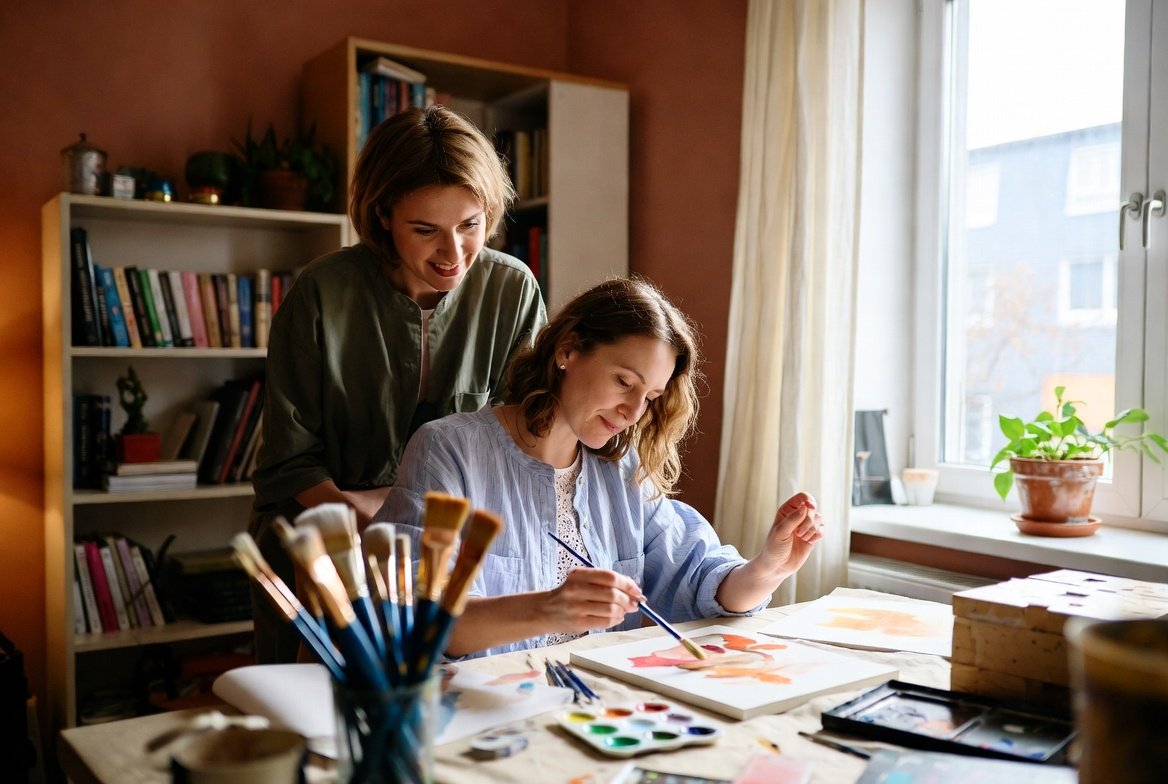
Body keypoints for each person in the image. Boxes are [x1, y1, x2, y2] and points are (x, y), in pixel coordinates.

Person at [376, 276, 823, 659]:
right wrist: (550, 608)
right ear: (567, 350)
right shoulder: (449, 449)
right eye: (623, 382)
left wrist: (769, 568)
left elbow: (698, 578)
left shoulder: (622, 469)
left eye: (648, 397)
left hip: (600, 709)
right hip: (487, 716)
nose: (632, 411)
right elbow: (421, 619)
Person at [249, 105, 547, 663]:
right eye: (425, 230)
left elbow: (521, 432)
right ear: (382, 213)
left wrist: (406, 512)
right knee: (320, 722)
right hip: (325, 543)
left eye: (470, 225)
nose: (453, 254)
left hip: (454, 548)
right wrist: (376, 514)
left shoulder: (513, 288)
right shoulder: (320, 293)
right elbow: (288, 461)